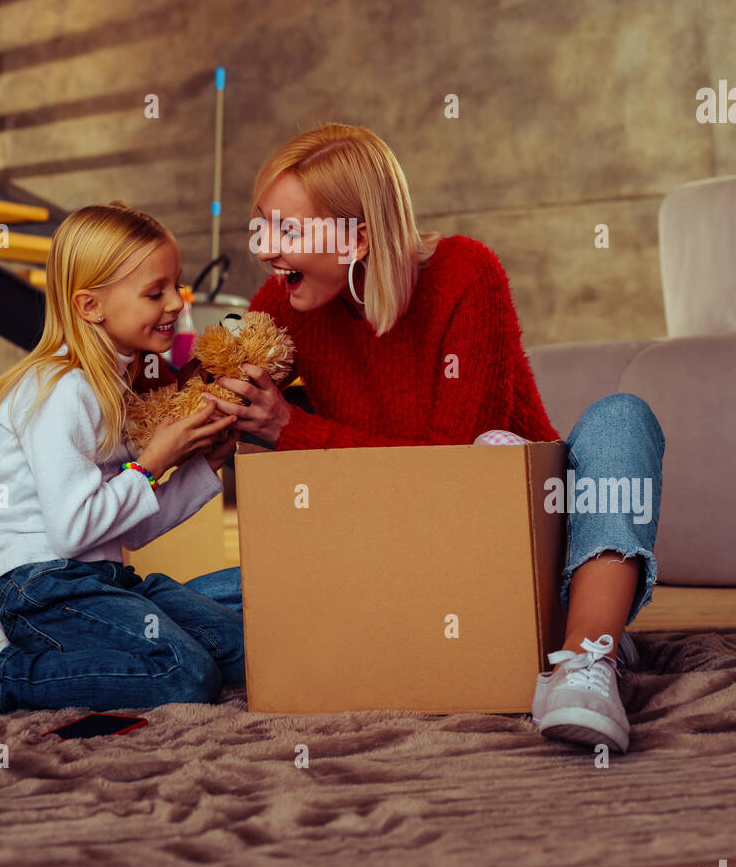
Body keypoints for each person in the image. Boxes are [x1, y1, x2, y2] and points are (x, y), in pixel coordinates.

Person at [207, 123, 664, 755]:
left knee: (621, 416)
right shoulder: (289, 301)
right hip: (412, 564)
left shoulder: (464, 273)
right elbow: (202, 384)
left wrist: (292, 428)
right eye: (262, 226)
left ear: (357, 237)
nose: (266, 249)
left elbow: (454, 470)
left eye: (288, 230)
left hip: (520, 540)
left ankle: (584, 659)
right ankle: (559, 631)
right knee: (199, 599)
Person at [0, 202, 242, 722]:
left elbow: (130, 527)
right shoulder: (63, 390)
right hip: (43, 585)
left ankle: (93, 636)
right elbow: (71, 531)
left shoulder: (114, 385)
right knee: (184, 674)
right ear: (91, 306)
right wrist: (154, 462)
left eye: (176, 287)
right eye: (155, 292)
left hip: (98, 577)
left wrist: (206, 466)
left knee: (243, 649)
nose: (177, 304)